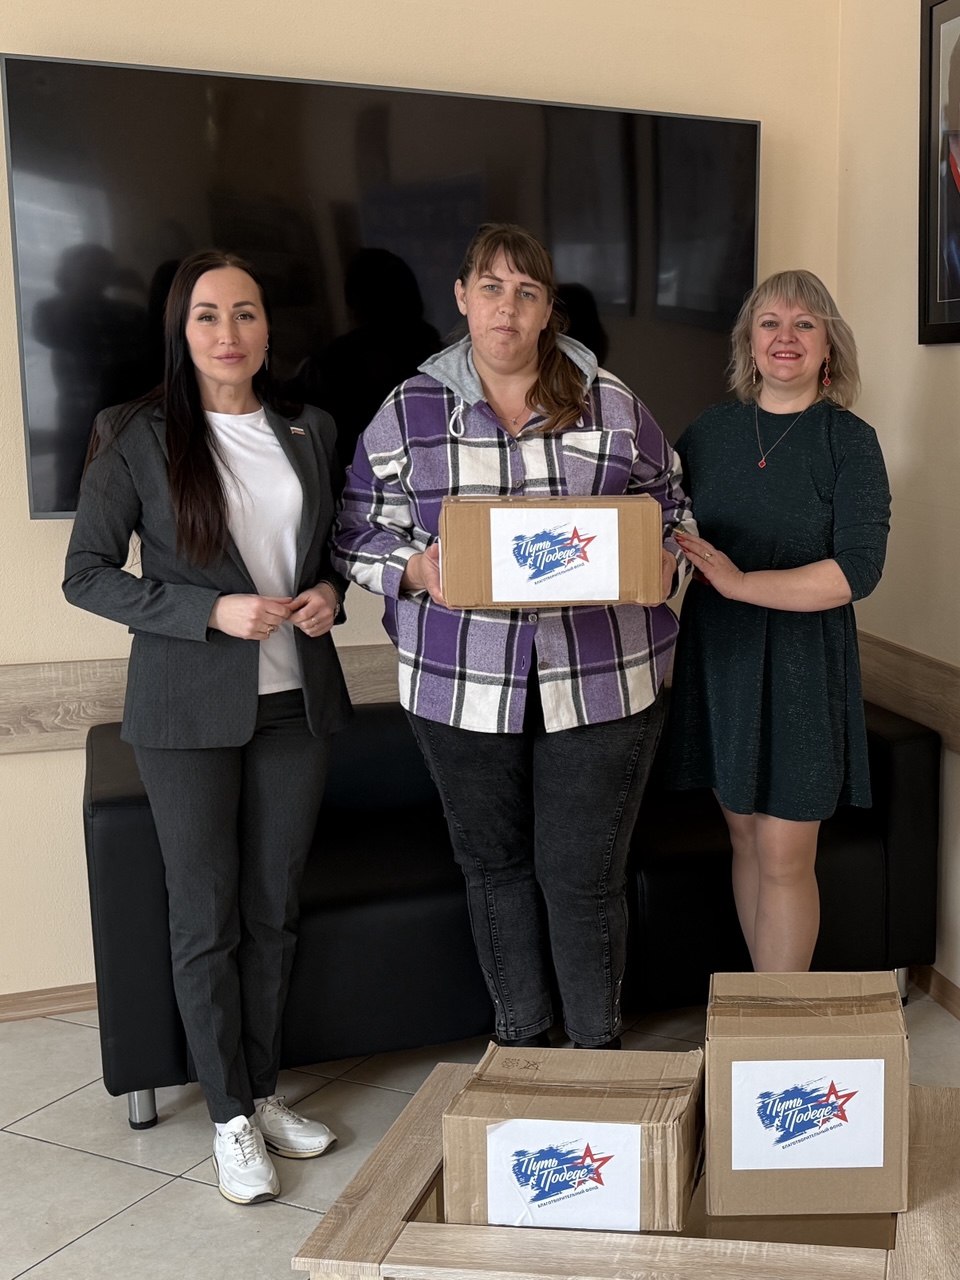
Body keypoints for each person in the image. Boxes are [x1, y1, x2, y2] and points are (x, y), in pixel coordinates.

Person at [331, 223, 694, 1050]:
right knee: (494, 871)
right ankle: (525, 1045)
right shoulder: (409, 410)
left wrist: (663, 556)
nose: (507, 308)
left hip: (604, 677)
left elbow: (673, 504)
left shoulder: (610, 401)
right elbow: (354, 530)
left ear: (547, 308)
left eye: (526, 292)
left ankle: (596, 1056)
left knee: (584, 878)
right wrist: (414, 569)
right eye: (491, 288)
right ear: (462, 298)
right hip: (459, 683)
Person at [63, 249, 351, 1204]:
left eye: (246, 313)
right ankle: (228, 1117)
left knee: (273, 909)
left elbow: (326, 553)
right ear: (180, 331)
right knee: (205, 915)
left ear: (269, 329)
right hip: (184, 710)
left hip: (295, 703)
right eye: (207, 315)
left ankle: (262, 1092)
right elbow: (87, 574)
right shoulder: (133, 432)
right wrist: (208, 612)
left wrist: (327, 593)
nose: (229, 333)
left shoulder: (310, 428)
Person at [667, 269, 890, 973]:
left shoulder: (849, 441)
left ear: (829, 346)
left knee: (786, 853)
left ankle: (775, 1024)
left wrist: (739, 583)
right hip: (722, 661)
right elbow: (666, 535)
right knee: (744, 839)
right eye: (769, 322)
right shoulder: (708, 434)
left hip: (803, 667)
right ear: (749, 342)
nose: (784, 337)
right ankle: (762, 1014)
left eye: (804, 323)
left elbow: (857, 572)